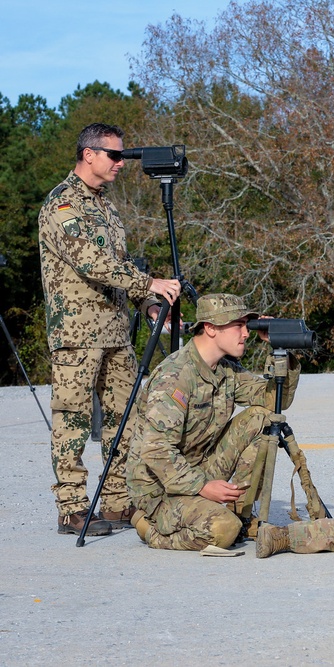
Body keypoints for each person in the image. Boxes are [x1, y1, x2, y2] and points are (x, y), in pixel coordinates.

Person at [38, 122, 181, 536]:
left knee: (129, 417)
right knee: (73, 421)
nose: (121, 163)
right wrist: (149, 284)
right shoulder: (63, 206)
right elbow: (92, 263)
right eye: (114, 155)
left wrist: (150, 304)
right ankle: (72, 508)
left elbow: (122, 268)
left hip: (116, 333)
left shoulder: (106, 208)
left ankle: (118, 501)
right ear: (88, 154)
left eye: (122, 156)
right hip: (77, 335)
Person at [126, 293, 300, 551]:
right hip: (160, 489)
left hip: (196, 469)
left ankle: (241, 515)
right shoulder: (175, 376)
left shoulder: (225, 370)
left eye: (248, 325)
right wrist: (203, 486)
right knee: (222, 531)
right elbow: (156, 451)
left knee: (262, 418)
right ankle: (150, 528)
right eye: (238, 325)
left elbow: (274, 400)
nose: (246, 333)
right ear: (210, 328)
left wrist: (280, 351)